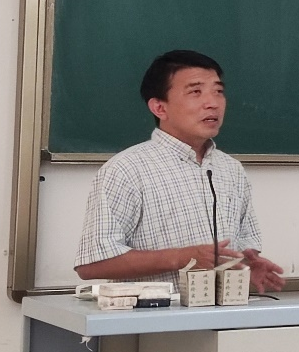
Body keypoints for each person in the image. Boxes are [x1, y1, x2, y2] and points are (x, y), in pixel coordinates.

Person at [75, 50, 285, 293]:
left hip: (223, 313)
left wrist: (247, 266)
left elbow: (244, 246)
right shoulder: (127, 169)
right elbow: (92, 264)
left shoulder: (231, 169)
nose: (213, 103)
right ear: (159, 107)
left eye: (218, 91)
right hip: (154, 314)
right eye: (196, 92)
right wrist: (180, 258)